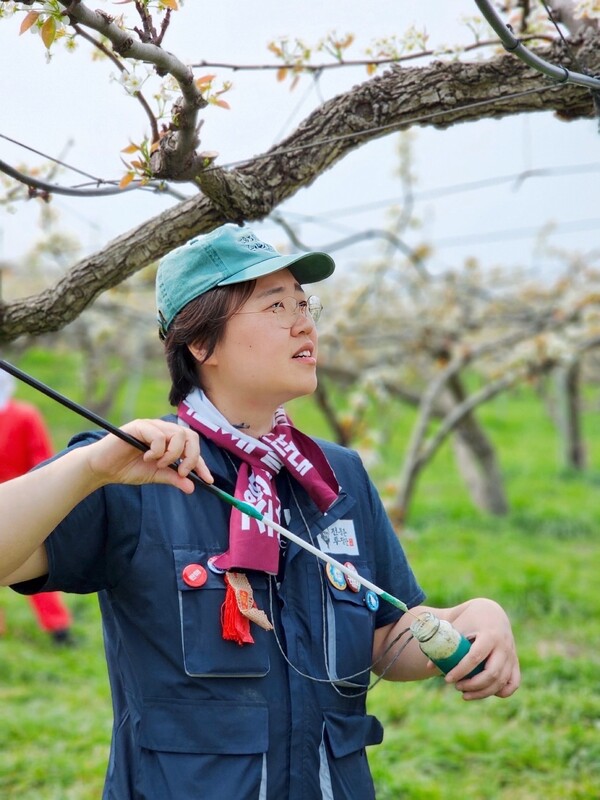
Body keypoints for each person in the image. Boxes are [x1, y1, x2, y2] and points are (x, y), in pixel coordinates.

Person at [0, 225, 520, 800]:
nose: (305, 323)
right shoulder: (133, 468)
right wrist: (88, 470)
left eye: (305, 303)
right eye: (277, 306)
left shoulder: (336, 475)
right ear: (201, 344)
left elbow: (383, 635)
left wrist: (471, 618)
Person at [0, 370, 73, 645]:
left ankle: (57, 627)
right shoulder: (25, 415)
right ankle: (58, 629)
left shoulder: (24, 416)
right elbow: (42, 457)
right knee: (34, 561)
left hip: (20, 500)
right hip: (26, 501)